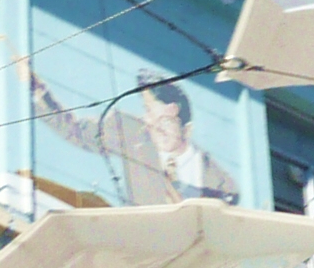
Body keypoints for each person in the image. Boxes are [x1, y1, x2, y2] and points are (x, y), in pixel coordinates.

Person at [29, 68, 235, 207]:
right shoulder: (130, 132)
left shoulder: (221, 184)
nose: (149, 122)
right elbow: (75, 131)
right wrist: (39, 92)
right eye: (146, 111)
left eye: (158, 116)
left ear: (174, 112)